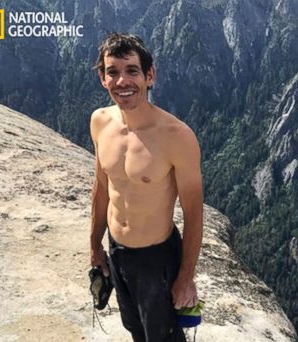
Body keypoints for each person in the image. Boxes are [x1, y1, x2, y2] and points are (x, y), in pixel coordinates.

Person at [89, 33, 203, 342]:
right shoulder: (100, 122)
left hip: (157, 260)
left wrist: (185, 277)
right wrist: (95, 246)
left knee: (165, 337)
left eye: (132, 71)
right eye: (113, 72)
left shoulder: (177, 136)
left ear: (149, 76)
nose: (122, 80)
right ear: (103, 78)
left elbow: (194, 212)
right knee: (135, 330)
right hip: (117, 252)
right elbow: (102, 189)